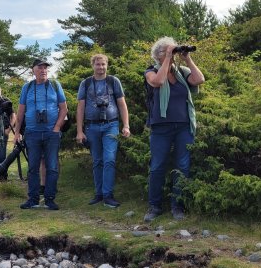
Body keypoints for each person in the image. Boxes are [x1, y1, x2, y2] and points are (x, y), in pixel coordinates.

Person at [144, 37, 205, 222]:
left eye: (170, 51)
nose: (170, 54)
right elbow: (158, 81)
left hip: (183, 127)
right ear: (158, 56)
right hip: (160, 127)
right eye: (165, 52)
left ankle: (177, 206)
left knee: (183, 166)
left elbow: (199, 79)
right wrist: (168, 57)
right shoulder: (151, 71)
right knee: (157, 166)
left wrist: (187, 58)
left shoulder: (182, 72)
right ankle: (154, 206)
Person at [76, 54, 131, 208]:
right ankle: (99, 193)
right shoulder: (85, 83)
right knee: (97, 161)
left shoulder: (114, 81)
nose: (101, 67)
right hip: (91, 126)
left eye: (103, 64)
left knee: (109, 159)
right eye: (98, 64)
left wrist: (126, 125)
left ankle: (108, 195)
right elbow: (80, 108)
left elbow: (122, 104)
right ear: (93, 65)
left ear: (107, 65)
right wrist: (79, 131)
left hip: (111, 125)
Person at [14, 58, 68, 210]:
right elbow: (21, 111)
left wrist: (57, 127)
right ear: (33, 70)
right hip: (32, 133)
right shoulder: (27, 87)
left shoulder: (55, 85)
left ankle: (50, 199)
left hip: (51, 133)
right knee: (32, 167)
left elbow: (64, 109)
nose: (43, 70)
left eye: (45, 68)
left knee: (51, 167)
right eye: (40, 67)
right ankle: (33, 199)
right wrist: (17, 132)